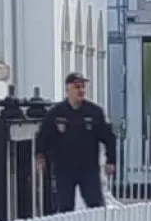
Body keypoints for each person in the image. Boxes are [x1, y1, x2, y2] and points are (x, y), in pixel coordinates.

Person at [34, 72, 117, 213]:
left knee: (95, 206)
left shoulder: (94, 112)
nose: (81, 90)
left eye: (83, 87)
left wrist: (111, 160)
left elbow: (109, 137)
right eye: (77, 87)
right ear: (68, 89)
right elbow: (43, 137)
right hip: (64, 169)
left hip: (88, 169)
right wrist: (40, 155)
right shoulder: (56, 113)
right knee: (65, 207)